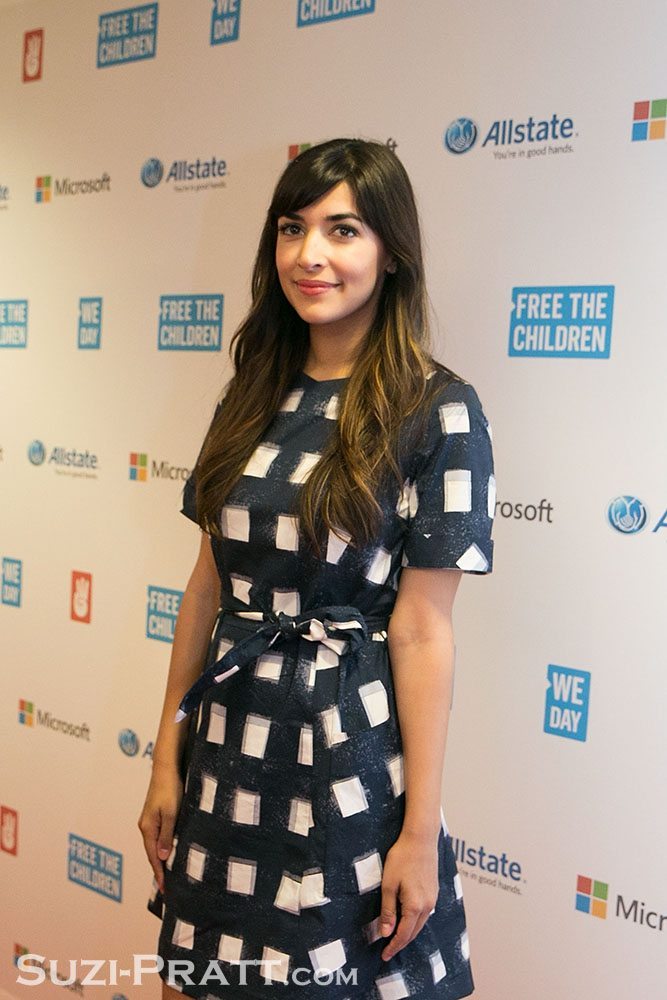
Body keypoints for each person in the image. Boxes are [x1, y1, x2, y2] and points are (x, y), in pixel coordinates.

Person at [138, 137, 495, 1000]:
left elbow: (421, 630)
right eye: (292, 228)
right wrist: (164, 757)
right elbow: (207, 587)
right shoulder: (250, 392)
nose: (309, 255)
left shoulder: (438, 409)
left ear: (390, 251)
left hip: (350, 750)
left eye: (342, 230)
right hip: (229, 742)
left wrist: (418, 832)